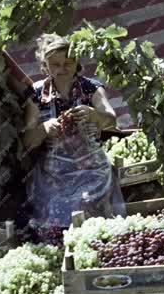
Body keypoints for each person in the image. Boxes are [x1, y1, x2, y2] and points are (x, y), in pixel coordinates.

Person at [23, 34, 125, 242]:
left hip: (93, 171)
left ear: (77, 62)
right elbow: (27, 140)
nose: (62, 69)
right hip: (54, 175)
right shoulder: (36, 94)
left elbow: (111, 121)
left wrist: (94, 115)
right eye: (55, 65)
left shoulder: (91, 88)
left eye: (67, 63)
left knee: (98, 231)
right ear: (45, 65)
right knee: (60, 232)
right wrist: (43, 128)